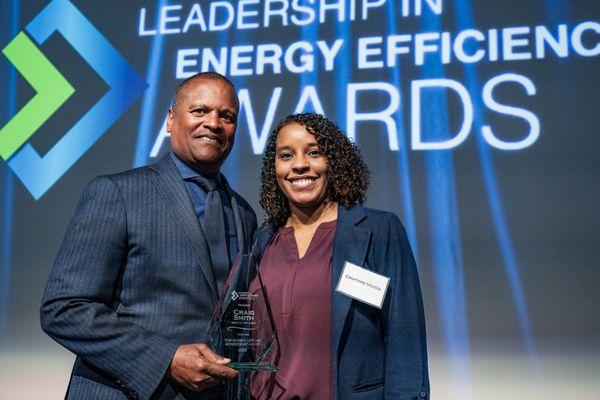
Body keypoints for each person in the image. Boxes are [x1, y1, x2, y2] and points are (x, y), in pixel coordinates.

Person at [40, 72, 257, 400]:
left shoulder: (244, 214)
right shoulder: (118, 193)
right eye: (200, 111)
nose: (213, 123)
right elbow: (64, 308)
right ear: (171, 119)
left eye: (226, 116)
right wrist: (166, 359)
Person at [250, 113, 430, 399]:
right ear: (275, 168)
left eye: (314, 153)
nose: (299, 165)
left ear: (334, 161)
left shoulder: (379, 230)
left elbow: (405, 339)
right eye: (286, 155)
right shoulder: (263, 240)